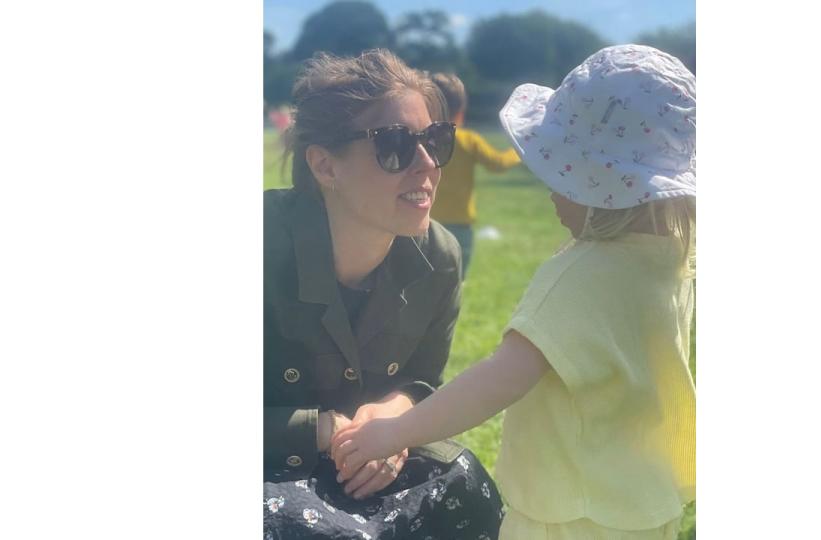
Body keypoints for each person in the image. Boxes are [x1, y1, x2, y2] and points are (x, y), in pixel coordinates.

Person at [331, 44, 697, 540]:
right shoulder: (670, 264)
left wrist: (395, 432)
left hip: (566, 511)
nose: (547, 185)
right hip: (645, 506)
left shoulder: (580, 275)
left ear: (597, 181)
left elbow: (499, 380)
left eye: (559, 171)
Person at [263, 49, 504, 540]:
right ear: (325, 166)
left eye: (436, 141)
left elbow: (420, 380)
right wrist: (323, 430)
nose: (427, 164)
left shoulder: (440, 257)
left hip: (372, 462)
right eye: (394, 144)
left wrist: (396, 420)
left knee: (467, 487)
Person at [428, 72, 521, 277]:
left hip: (425, 222)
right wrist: (518, 150)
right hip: (460, 225)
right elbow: (498, 164)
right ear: (460, 113)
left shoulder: (422, 140)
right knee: (454, 282)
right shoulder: (468, 140)